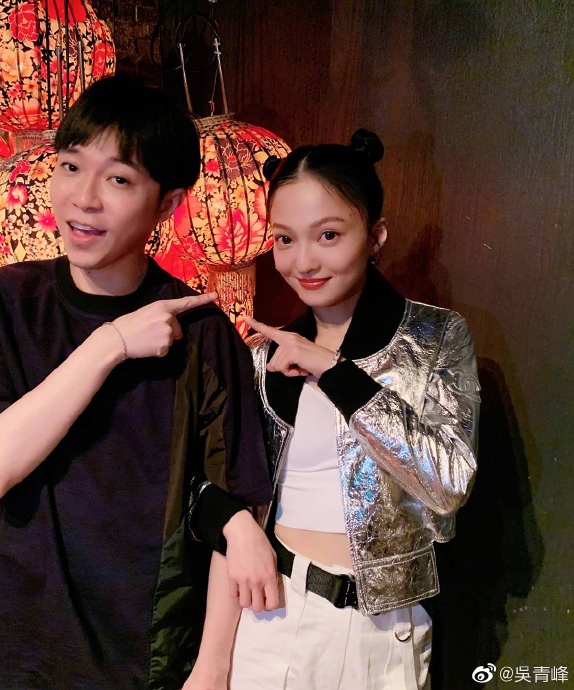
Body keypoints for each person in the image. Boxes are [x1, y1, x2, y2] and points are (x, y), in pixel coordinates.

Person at [0, 74, 278, 690]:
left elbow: (234, 504)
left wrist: (213, 668)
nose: (84, 198)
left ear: (168, 204)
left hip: (146, 655)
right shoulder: (4, 301)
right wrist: (111, 345)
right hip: (19, 645)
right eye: (71, 167)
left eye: (119, 179)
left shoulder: (203, 333)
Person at [185, 130, 480, 690]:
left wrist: (334, 371)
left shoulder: (436, 336)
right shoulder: (265, 357)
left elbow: (447, 483)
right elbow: (214, 489)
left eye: (328, 235)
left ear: (376, 236)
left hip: (384, 630)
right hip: (272, 615)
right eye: (284, 239)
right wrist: (211, 664)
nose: (303, 261)